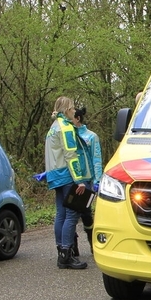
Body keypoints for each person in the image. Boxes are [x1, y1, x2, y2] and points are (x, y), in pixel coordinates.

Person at [43, 96, 93, 270]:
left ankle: (61, 252)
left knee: (61, 214)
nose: (74, 111)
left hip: (55, 175)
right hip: (67, 175)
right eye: (72, 108)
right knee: (71, 215)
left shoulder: (53, 128)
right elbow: (71, 155)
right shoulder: (66, 128)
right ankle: (66, 253)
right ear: (66, 110)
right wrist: (79, 180)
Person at [71, 106, 103, 259]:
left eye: (71, 117)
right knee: (71, 213)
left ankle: (92, 242)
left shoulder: (91, 137)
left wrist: (97, 180)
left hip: (87, 180)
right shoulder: (68, 135)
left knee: (86, 213)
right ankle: (73, 246)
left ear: (77, 118)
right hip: (71, 179)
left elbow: (96, 159)